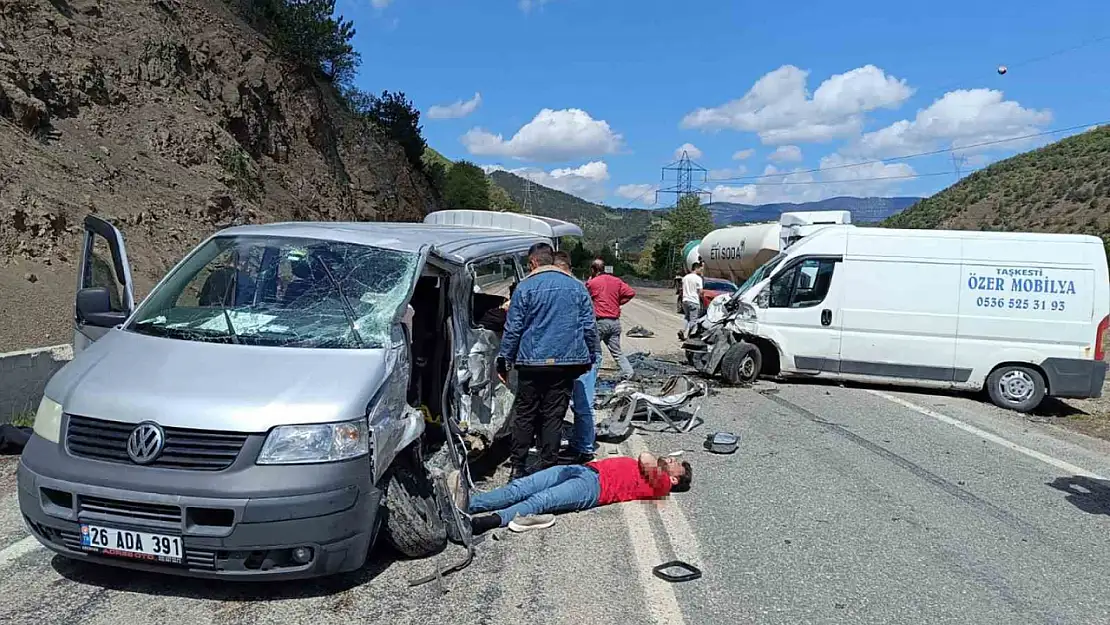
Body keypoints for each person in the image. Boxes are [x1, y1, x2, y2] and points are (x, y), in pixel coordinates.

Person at [499, 242, 599, 479]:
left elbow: (513, 328)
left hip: (531, 362)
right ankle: (548, 467)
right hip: (566, 364)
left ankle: (518, 466)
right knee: (553, 415)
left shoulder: (525, 287)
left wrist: (504, 360)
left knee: (525, 414)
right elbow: (589, 327)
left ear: (533, 262)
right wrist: (590, 356)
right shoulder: (577, 287)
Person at [466, 451, 693, 533]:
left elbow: (644, 456)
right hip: (585, 470)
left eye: (676, 464)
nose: (672, 459)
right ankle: (469, 504)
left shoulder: (662, 485)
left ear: (674, 478)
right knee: (520, 487)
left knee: (540, 500)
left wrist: (660, 462)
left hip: (593, 488)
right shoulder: (656, 475)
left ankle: (493, 520)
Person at [553, 251, 601, 464]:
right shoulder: (574, 287)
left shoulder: (576, 289)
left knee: (582, 403)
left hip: (583, 353)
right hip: (575, 353)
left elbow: (588, 327)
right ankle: (579, 443)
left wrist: (590, 354)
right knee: (577, 402)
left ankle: (584, 448)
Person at [585, 259, 636, 381]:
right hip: (614, 322)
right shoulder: (616, 281)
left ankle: (590, 378)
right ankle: (629, 373)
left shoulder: (592, 283)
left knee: (594, 352)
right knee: (617, 352)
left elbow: (584, 299)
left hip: (600, 322)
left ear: (593, 269)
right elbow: (631, 292)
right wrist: (618, 302)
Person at [680, 262, 704, 339]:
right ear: (696, 268)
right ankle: (690, 337)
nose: (701, 271)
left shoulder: (685, 277)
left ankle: (682, 330)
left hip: (685, 300)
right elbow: (700, 291)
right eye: (700, 269)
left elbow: (682, 288)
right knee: (693, 319)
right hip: (693, 301)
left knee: (687, 317)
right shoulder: (698, 278)